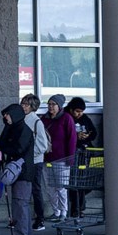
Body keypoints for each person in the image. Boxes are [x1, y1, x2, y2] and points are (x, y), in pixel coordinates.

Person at [0, 103, 36, 235]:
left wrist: (5, 148)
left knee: (20, 205)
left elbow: (18, 148)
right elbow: (2, 143)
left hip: (22, 172)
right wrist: (6, 127)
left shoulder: (23, 130)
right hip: (20, 172)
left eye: (7, 114)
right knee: (21, 205)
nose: (5, 117)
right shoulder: (15, 128)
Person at [41, 94, 76, 223]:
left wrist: (70, 158)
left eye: (53, 104)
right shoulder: (44, 119)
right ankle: (55, 211)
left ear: (59, 106)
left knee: (61, 187)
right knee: (49, 187)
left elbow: (72, 139)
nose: (50, 107)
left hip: (62, 158)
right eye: (49, 104)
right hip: (47, 158)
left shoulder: (67, 118)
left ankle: (64, 211)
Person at [21, 94, 49, 232]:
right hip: (24, 160)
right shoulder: (21, 119)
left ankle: (40, 218)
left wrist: (30, 155)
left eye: (26, 104)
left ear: (33, 107)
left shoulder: (37, 122)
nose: (23, 106)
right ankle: (22, 218)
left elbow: (42, 145)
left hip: (35, 161)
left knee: (35, 189)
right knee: (23, 189)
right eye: (23, 103)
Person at [66, 97, 98, 217]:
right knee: (74, 182)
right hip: (72, 153)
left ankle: (79, 206)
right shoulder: (66, 117)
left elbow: (94, 133)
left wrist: (86, 137)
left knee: (84, 181)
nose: (79, 114)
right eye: (77, 111)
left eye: (82, 111)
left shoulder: (85, 118)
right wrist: (76, 136)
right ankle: (76, 208)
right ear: (71, 109)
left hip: (85, 152)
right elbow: (63, 134)